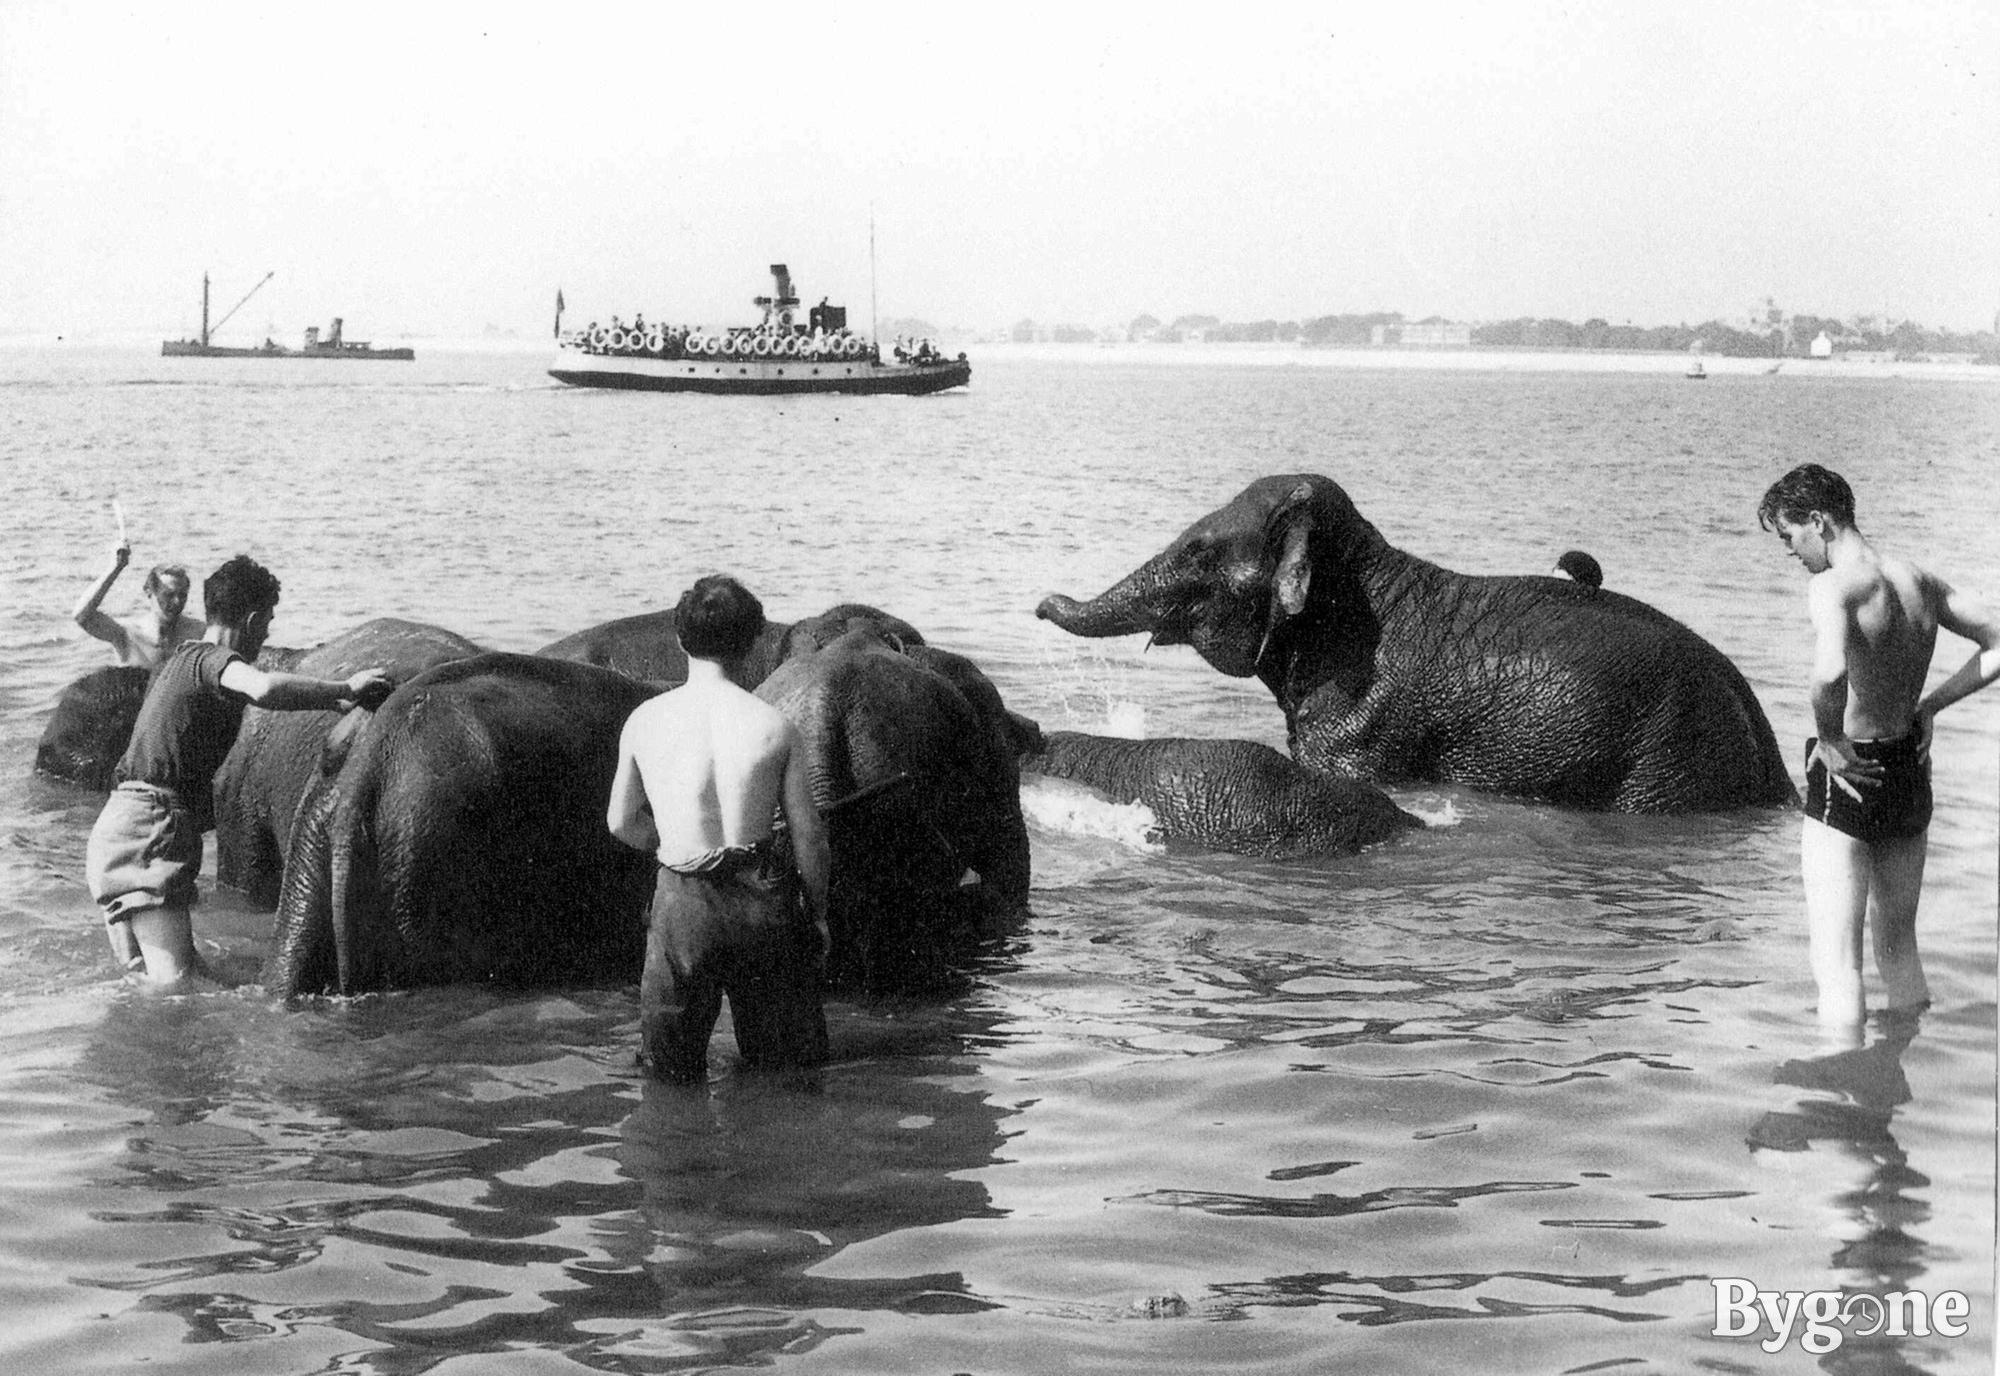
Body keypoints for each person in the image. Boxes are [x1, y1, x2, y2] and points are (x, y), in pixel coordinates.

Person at [1757, 463, 2000, 1033]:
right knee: (1899, 950)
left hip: (1851, 773)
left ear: (1819, 520)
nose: (1792, 552)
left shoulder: (1835, 586)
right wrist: (1932, 706)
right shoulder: (1921, 581)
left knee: (1837, 966)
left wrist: (1833, 739)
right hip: (1908, 768)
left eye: (1791, 536)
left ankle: (1841, 1096)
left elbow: (1828, 674)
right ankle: (1892, 1088)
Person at [84, 555, 394, 989]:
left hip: (115, 830)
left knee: (147, 980)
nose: (266, 634)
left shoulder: (177, 660)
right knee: (178, 987)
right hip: (149, 831)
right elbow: (263, 688)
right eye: (266, 623)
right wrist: (346, 689)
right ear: (250, 619)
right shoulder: (210, 660)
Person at [606, 574, 831, 1083]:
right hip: (762, 903)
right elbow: (809, 838)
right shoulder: (774, 725)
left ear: (680, 640)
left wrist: (672, 846)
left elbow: (620, 822)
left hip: (683, 907)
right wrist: (817, 913)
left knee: (669, 1073)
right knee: (783, 1072)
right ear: (753, 644)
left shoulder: (645, 720)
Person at [73, 540, 204, 668]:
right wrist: (115, 568)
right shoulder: (127, 634)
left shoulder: (199, 634)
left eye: (182, 595)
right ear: (149, 592)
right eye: (169, 595)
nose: (177, 602)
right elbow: (82, 616)